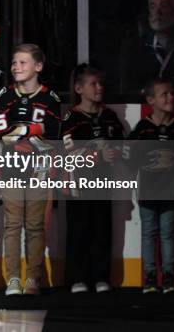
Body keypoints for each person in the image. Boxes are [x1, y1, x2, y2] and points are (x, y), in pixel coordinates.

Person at [0, 44, 61, 296]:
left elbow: (53, 132)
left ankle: (33, 277)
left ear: (38, 67)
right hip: (11, 167)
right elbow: (1, 133)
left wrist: (22, 131)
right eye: (13, 63)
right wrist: (34, 130)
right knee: (11, 226)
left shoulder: (50, 98)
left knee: (35, 226)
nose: (16, 68)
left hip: (39, 170)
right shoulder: (4, 97)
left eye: (22, 63)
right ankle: (12, 278)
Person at [61, 64, 124, 294]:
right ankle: (77, 277)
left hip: (104, 184)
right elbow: (68, 153)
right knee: (79, 231)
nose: (99, 88)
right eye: (93, 84)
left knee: (102, 230)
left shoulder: (109, 116)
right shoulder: (71, 117)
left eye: (101, 83)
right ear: (79, 88)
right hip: (77, 187)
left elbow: (122, 144)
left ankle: (100, 277)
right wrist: (97, 155)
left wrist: (115, 152)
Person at [129, 78, 174, 294]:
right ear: (151, 100)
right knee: (149, 232)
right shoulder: (143, 128)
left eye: (173, 93)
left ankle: (168, 276)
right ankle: (149, 276)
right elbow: (130, 157)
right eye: (164, 94)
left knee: (168, 234)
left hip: (171, 191)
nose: (171, 97)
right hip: (147, 191)